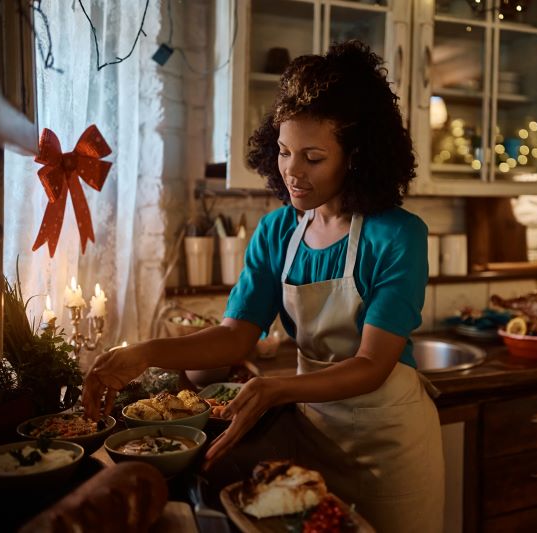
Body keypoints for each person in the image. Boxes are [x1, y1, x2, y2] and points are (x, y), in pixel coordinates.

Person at [83, 40, 444, 532]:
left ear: (357, 157)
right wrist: (144, 352)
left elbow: (371, 366)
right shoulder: (278, 232)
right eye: (284, 151)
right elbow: (236, 335)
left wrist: (275, 388)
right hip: (314, 433)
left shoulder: (397, 235)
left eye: (313, 157)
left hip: (391, 443)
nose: (292, 171)